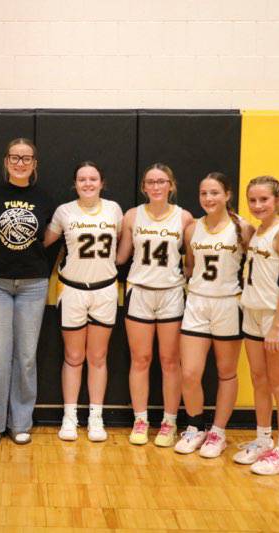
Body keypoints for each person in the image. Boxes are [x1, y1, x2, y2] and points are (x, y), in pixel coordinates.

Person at [0, 138, 54, 445]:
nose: (20, 163)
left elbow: (48, 237)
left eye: (26, 158)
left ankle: (20, 422)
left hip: (33, 284)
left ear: (35, 164)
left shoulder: (45, 199)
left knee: (26, 356)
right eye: (15, 157)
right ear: (6, 161)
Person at [175, 173, 254, 457]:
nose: (209, 198)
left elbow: (259, 265)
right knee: (190, 372)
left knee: (226, 372)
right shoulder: (192, 228)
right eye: (203, 193)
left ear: (227, 194)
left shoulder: (243, 228)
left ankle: (218, 433)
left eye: (215, 193)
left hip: (228, 304)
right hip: (197, 302)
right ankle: (195, 427)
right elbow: (191, 266)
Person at [44, 161, 123, 442]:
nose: (87, 184)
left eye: (93, 179)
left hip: (104, 290)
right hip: (72, 290)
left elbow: (123, 245)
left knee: (98, 357)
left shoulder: (114, 209)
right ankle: (70, 416)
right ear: (75, 184)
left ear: (102, 182)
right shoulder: (64, 211)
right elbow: (44, 243)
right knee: (74, 357)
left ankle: (96, 416)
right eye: (82, 179)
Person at [116, 163, 193, 446]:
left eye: (162, 181)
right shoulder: (133, 215)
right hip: (140, 291)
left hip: (171, 292)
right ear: (144, 187)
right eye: (151, 182)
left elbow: (193, 262)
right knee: (141, 359)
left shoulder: (184, 218)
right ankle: (140, 420)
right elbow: (122, 256)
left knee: (170, 361)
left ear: (171, 185)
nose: (157, 186)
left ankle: (169, 422)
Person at [237, 175, 279, 475]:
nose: (258, 205)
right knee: (258, 379)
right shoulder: (257, 232)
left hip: (276, 317)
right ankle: (263, 440)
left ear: (277, 200)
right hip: (252, 312)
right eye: (253, 200)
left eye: (264, 199)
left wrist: (277, 325)